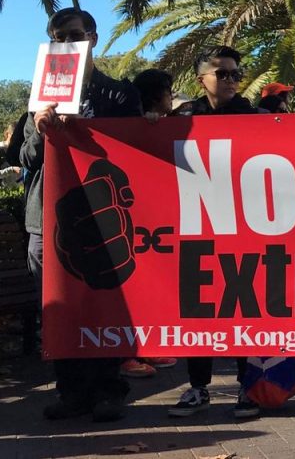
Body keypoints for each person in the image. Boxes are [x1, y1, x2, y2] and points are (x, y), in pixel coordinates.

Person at [21, 7, 142, 422]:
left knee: (105, 304)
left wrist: (87, 129)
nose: (66, 43)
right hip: (47, 220)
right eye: (57, 37)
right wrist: (42, 128)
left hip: (103, 218)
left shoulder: (119, 94)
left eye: (74, 35)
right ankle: (70, 392)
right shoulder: (40, 93)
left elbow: (134, 148)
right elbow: (26, 157)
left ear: (93, 38)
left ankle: (109, 391)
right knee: (59, 308)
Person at [168, 47, 261, 419]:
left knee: (243, 307)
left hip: (243, 228)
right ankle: (198, 387)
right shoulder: (182, 119)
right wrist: (151, 123)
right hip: (197, 228)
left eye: (236, 74)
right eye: (222, 74)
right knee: (199, 309)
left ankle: (247, 387)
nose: (231, 80)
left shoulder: (253, 116)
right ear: (200, 79)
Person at [118, 69, 178, 378]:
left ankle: (146, 346)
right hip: (138, 221)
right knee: (135, 285)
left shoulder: (169, 124)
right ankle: (127, 353)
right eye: (169, 91)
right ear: (156, 95)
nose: (172, 96)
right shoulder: (137, 125)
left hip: (158, 221)